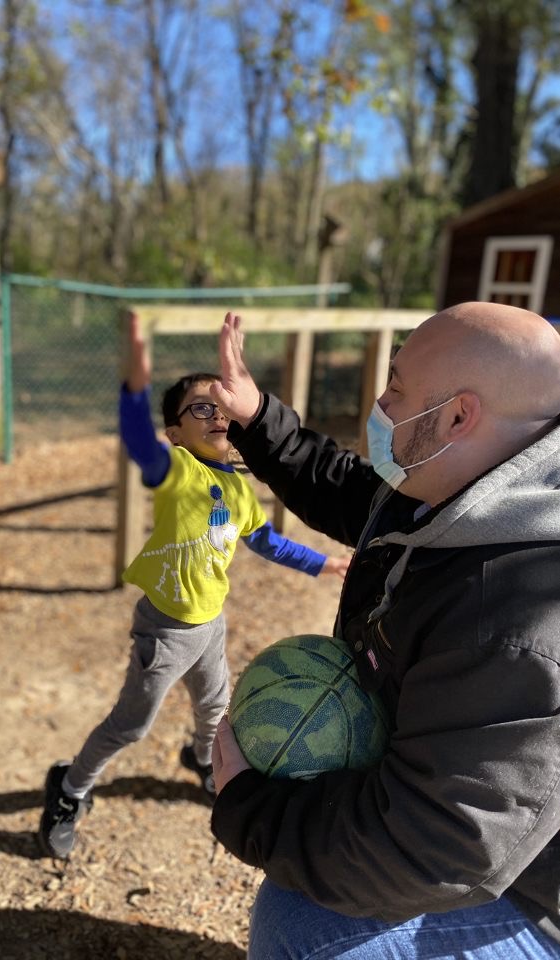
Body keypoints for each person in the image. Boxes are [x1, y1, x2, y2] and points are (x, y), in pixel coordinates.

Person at [209, 303, 560, 959]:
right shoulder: (455, 472)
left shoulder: (520, 614)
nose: (379, 401)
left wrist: (251, 808)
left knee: (303, 930)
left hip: (538, 893)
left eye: (395, 385)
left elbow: (439, 845)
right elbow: (353, 492)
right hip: (482, 832)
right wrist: (258, 420)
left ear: (458, 415)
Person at [37, 311, 350, 860]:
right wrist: (134, 380)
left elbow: (267, 543)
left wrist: (323, 564)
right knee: (130, 727)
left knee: (215, 711)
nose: (217, 415)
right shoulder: (178, 471)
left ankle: (203, 762)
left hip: (210, 626)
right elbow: (139, 442)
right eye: (200, 408)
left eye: (223, 406)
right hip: (166, 631)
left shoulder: (240, 488)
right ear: (176, 432)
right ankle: (69, 787)